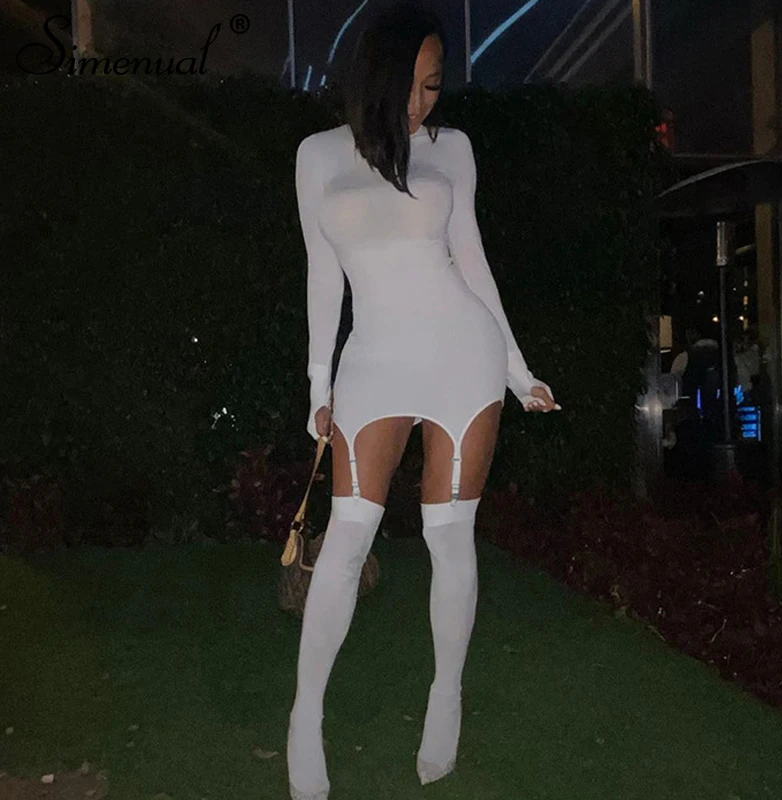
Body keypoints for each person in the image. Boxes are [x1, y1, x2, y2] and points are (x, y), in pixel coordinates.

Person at [286, 4, 559, 798]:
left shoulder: (452, 149)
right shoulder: (317, 155)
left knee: (450, 535)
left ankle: (446, 696)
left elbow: (472, 261)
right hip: (374, 361)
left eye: (433, 87)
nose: (419, 103)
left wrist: (517, 370)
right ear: (374, 75)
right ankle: (306, 717)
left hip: (463, 356)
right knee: (346, 536)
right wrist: (318, 386)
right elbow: (322, 276)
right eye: (409, 84)